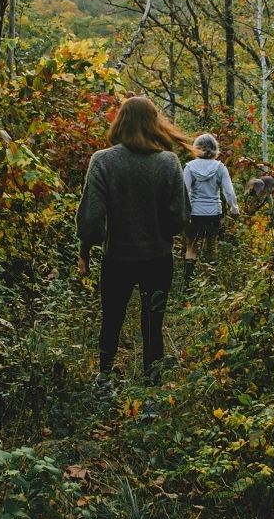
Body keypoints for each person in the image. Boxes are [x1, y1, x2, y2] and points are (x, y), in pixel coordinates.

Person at [76, 96, 191, 405]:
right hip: (158, 259)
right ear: (154, 123)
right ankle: (151, 396)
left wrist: (85, 250)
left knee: (111, 318)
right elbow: (180, 216)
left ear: (120, 121)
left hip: (117, 259)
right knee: (153, 324)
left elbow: (91, 218)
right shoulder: (168, 162)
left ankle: (104, 381)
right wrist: (160, 232)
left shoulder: (103, 161)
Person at [183, 133, 239, 288]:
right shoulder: (220, 167)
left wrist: (184, 211)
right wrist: (234, 208)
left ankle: (188, 284)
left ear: (196, 148)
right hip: (213, 213)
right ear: (215, 149)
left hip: (194, 213)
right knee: (211, 246)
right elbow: (229, 192)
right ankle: (212, 284)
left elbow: (184, 191)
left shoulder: (190, 167)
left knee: (191, 246)